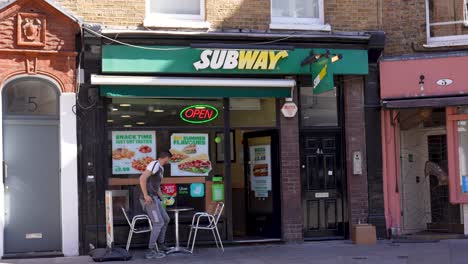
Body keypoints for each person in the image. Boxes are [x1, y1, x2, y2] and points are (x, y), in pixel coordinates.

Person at [139, 152, 172, 259]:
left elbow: (156, 186)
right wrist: (145, 195)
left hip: (155, 198)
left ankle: (161, 245)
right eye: (169, 159)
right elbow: (142, 178)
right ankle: (151, 250)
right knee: (158, 222)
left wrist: (163, 199)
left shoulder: (161, 169)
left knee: (166, 219)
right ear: (166, 158)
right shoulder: (155, 164)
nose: (169, 161)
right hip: (148, 199)